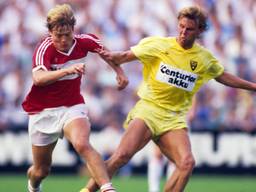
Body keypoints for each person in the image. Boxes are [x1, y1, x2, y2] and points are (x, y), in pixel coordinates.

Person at [84, 5, 256, 192]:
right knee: (121, 156)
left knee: (187, 163)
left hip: (174, 118)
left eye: (189, 29)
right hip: (149, 110)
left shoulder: (204, 58)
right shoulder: (159, 45)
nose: (183, 32)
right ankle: (86, 191)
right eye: (181, 26)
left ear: (199, 31)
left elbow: (223, 76)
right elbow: (123, 56)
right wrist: (114, 64)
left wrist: (253, 87)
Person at [22, 4, 128, 192]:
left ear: (73, 29)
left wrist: (119, 72)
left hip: (72, 106)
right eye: (58, 35)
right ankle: (33, 186)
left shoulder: (84, 41)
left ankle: (107, 188)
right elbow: (38, 79)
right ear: (50, 32)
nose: (63, 40)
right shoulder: (44, 48)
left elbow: (107, 54)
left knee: (82, 143)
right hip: (42, 111)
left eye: (67, 34)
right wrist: (66, 71)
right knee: (41, 170)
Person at [147, 96, 197, 192]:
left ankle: (170, 188)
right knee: (158, 154)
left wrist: (193, 109)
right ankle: (153, 189)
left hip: (180, 116)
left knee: (176, 158)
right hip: (163, 113)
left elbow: (193, 90)